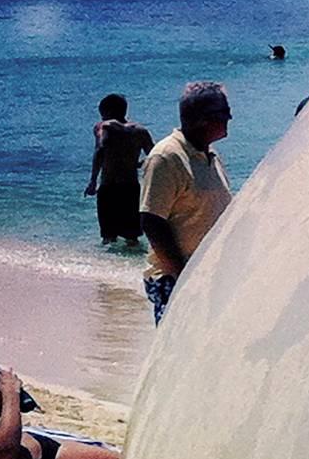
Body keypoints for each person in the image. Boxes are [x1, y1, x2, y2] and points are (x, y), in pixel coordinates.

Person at [139, 80, 233, 324]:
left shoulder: (210, 156)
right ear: (202, 118)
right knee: (177, 355)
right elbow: (151, 220)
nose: (230, 117)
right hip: (176, 279)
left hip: (209, 278)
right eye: (224, 112)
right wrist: (183, 276)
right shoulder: (166, 157)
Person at [84, 93, 153, 246]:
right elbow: (155, 156)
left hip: (109, 186)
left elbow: (100, 150)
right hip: (131, 187)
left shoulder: (104, 127)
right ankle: (130, 268)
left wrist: (93, 181)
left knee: (108, 237)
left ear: (107, 111)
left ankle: (107, 266)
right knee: (132, 237)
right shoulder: (140, 131)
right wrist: (138, 163)